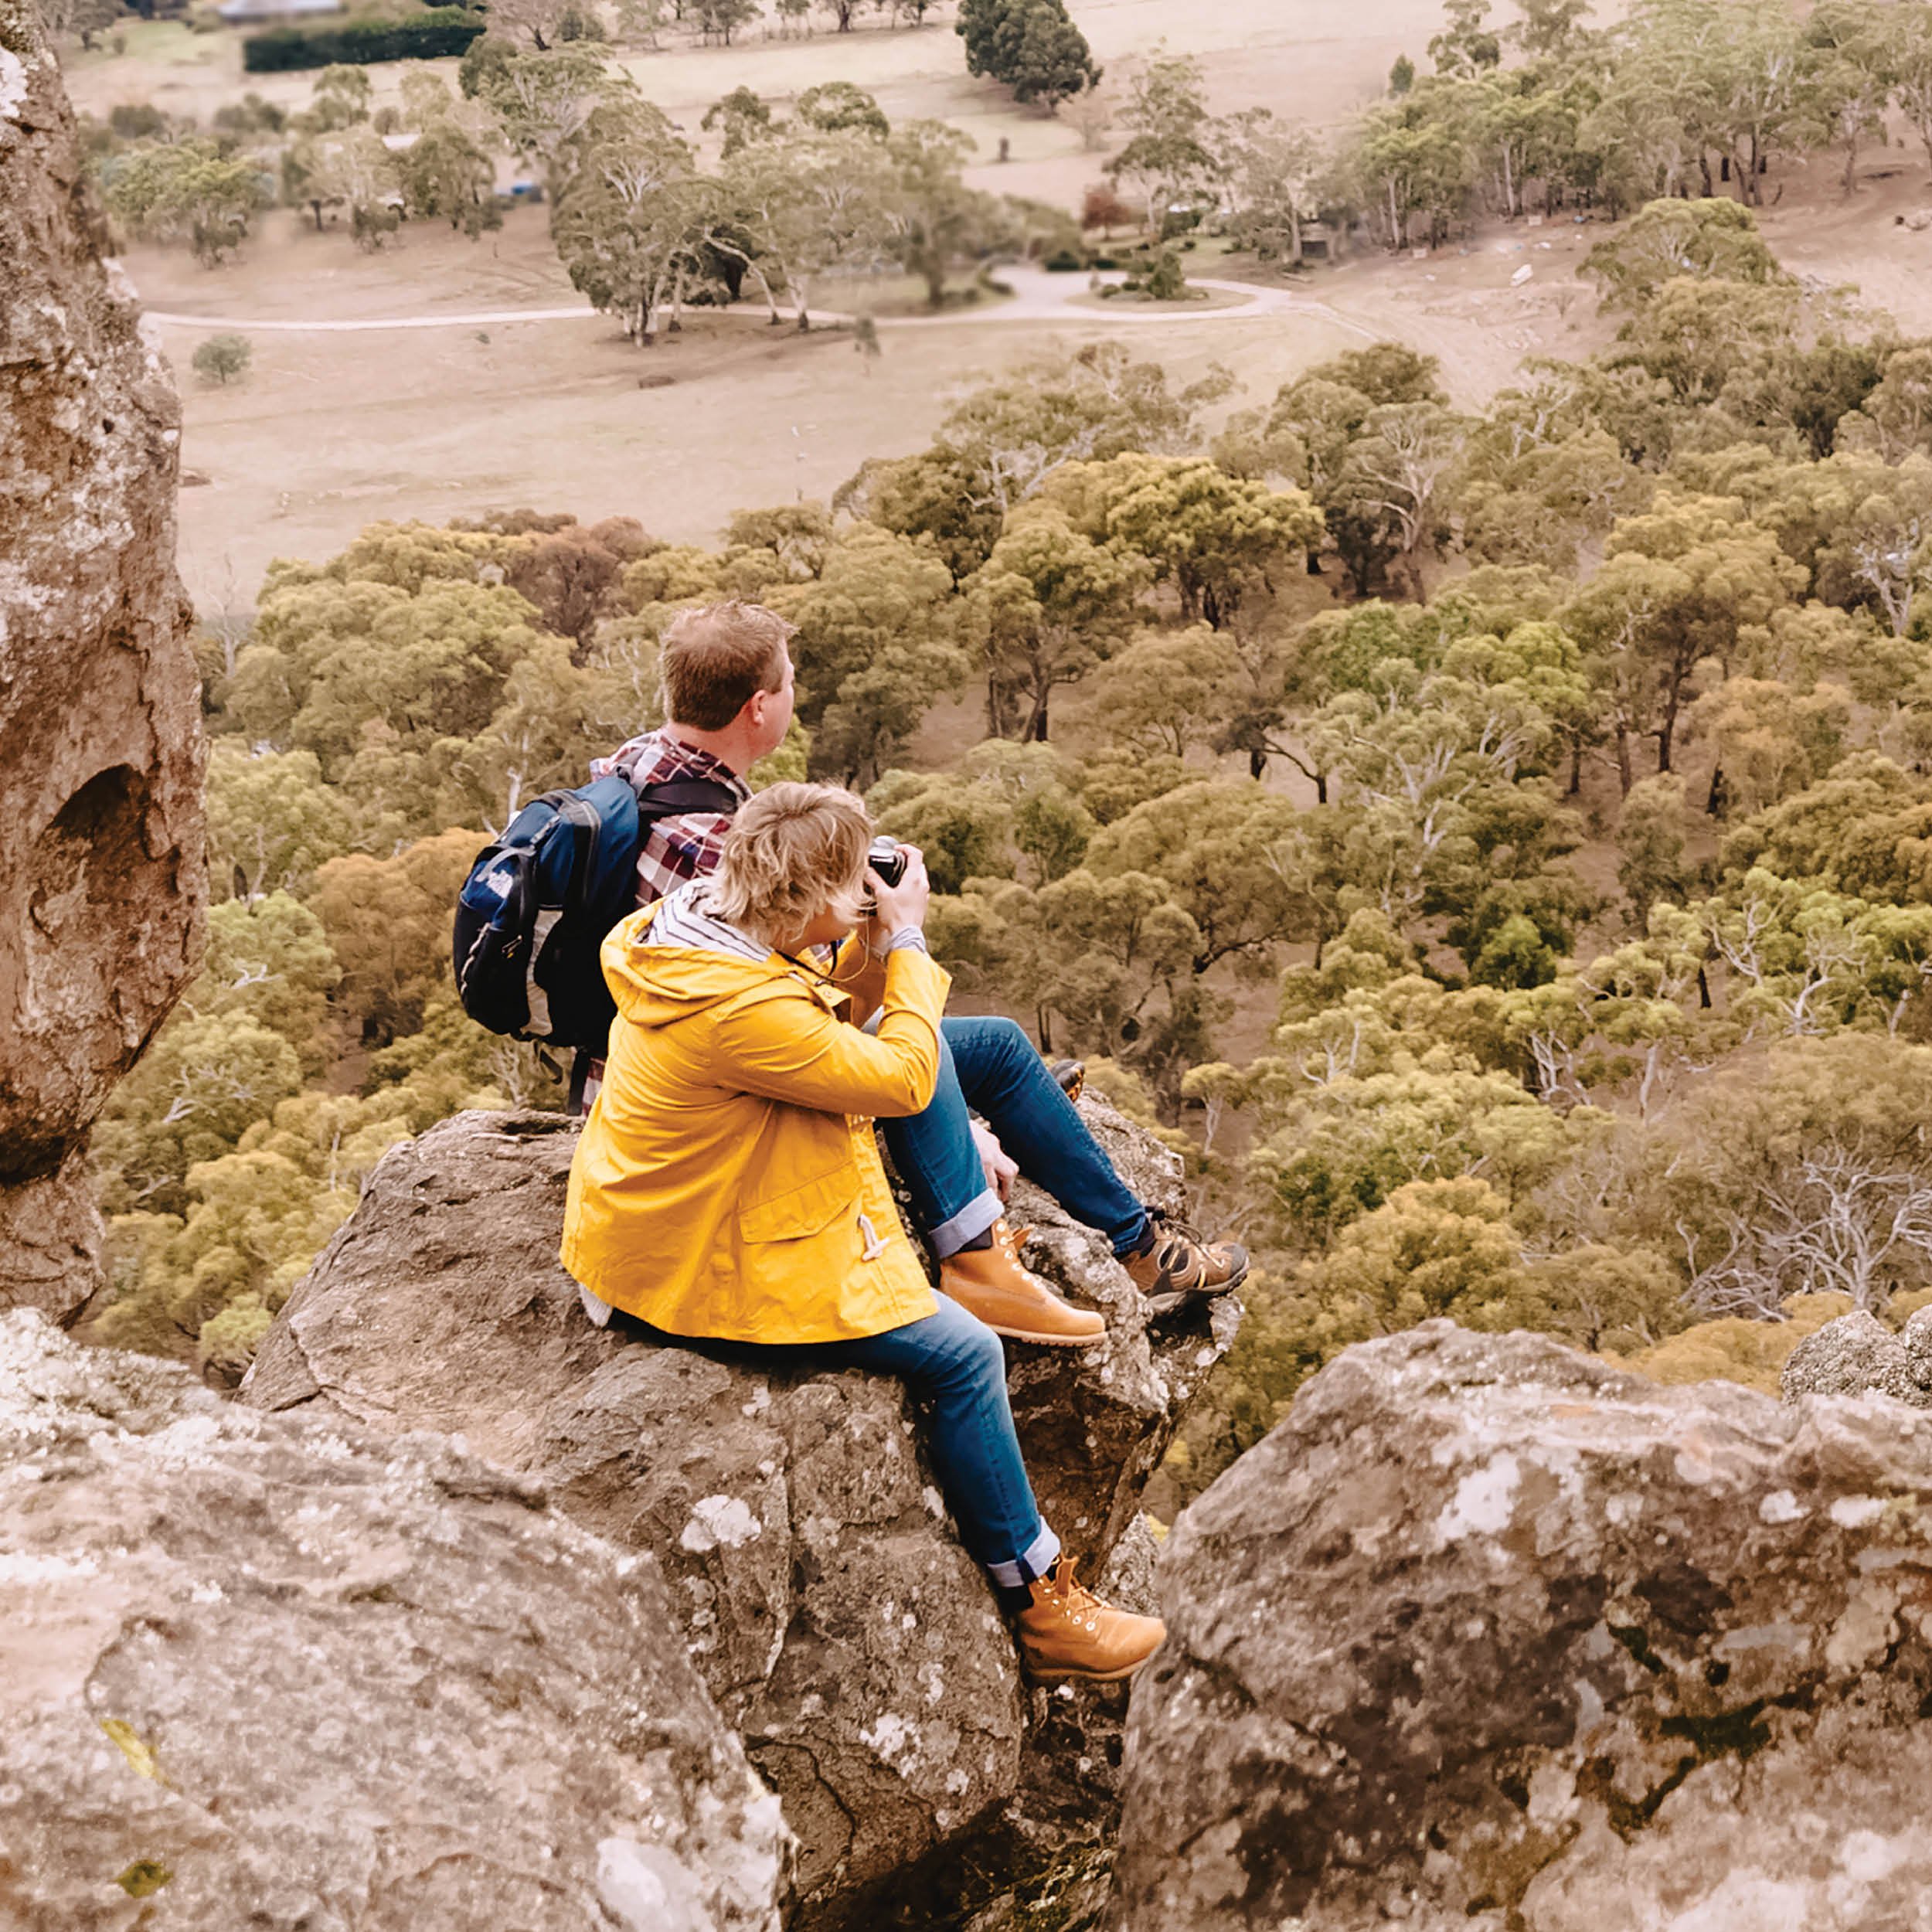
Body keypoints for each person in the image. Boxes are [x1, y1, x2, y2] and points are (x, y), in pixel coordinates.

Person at [561, 782, 1167, 1680]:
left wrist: (871, 941)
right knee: (965, 1357)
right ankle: (1042, 1608)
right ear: (800, 899)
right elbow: (900, 1079)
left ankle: (979, 1250)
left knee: (992, 1047)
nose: (866, 898)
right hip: (695, 1252)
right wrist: (909, 943)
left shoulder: (704, 922)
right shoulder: (734, 1009)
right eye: (851, 885)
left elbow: (828, 1006)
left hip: (682, 1195)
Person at [582, 600, 1247, 1346]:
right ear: (759, 706)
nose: (797, 693)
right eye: (792, 680)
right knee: (929, 1061)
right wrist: (956, 1120)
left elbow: (795, 993)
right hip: (717, 1094)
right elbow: (798, 1029)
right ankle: (981, 1265)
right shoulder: (709, 844)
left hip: (730, 1043)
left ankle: (1138, 1247)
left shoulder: (646, 767)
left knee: (992, 1044)